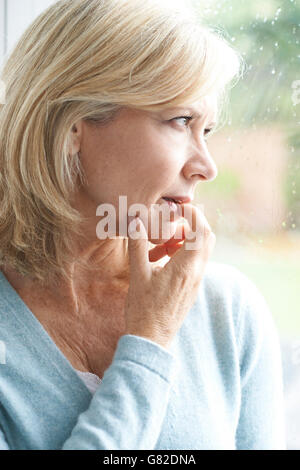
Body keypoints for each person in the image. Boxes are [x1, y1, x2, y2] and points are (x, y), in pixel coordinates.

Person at [0, 0, 286, 450]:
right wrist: (148, 341)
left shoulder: (227, 311)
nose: (206, 167)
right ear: (73, 126)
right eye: (180, 121)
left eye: (206, 130)